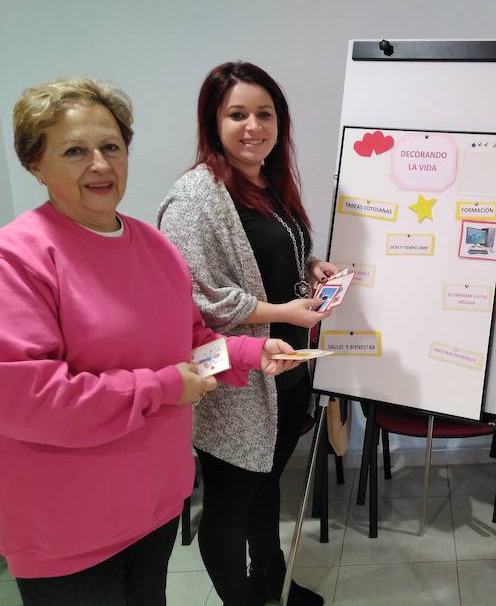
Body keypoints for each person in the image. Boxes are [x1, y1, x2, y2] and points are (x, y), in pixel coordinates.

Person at [0, 77, 299, 606]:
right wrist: (161, 388)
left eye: (111, 147)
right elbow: (30, 399)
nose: (100, 165)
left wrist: (251, 352)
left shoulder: (155, 247)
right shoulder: (18, 259)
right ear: (35, 164)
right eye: (74, 151)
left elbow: (193, 345)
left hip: (154, 505)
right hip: (70, 528)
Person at [158, 61, 334, 606]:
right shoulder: (195, 199)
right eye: (237, 114)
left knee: (265, 488)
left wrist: (312, 267)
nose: (253, 126)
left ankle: (272, 584)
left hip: (283, 371)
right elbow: (195, 298)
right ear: (213, 122)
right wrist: (282, 307)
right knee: (230, 508)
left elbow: (270, 254)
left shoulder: (267, 182)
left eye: (265, 114)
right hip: (234, 378)